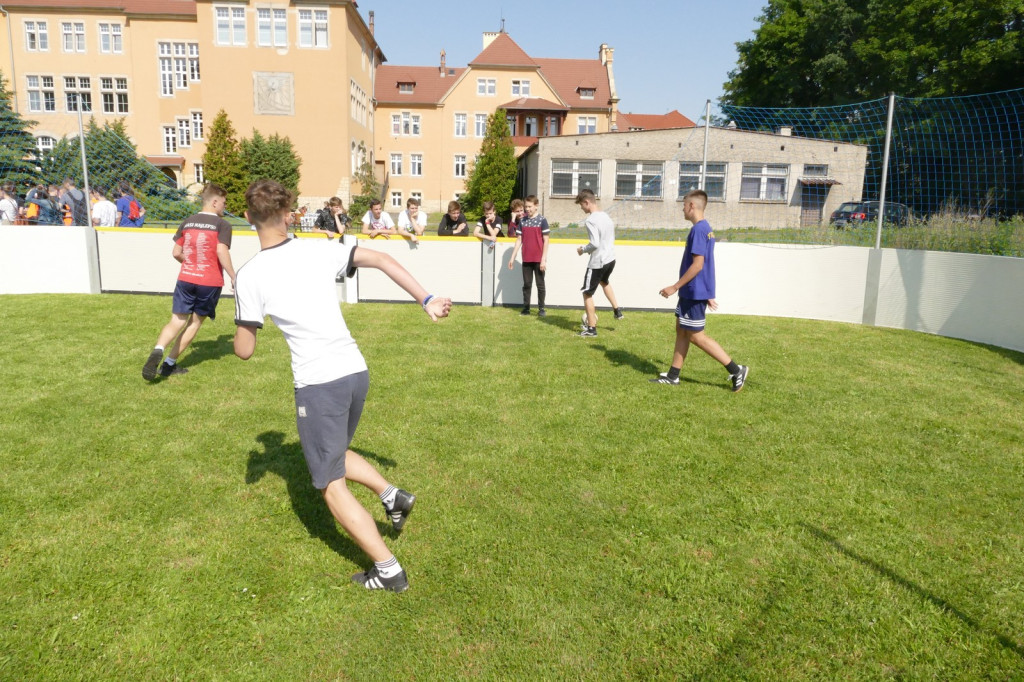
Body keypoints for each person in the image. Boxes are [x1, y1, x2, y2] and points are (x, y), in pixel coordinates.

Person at [233, 178, 452, 593]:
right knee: (334, 452)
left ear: (247, 218)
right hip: (355, 372)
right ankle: (392, 496)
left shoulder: (249, 275)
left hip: (319, 384)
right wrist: (427, 299)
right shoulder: (319, 248)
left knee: (329, 484)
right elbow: (384, 258)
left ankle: (388, 569)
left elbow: (244, 350)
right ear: (288, 214)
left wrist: (237, 319)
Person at [651, 189, 749, 392]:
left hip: (693, 291)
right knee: (681, 329)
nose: (682, 209)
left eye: (683, 205)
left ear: (691, 206)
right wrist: (708, 293)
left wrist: (674, 286)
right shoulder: (706, 228)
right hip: (695, 291)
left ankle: (735, 369)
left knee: (696, 336)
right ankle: (673, 376)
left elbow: (698, 265)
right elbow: (708, 264)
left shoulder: (698, 230)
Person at [142, 183, 235, 380]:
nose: (224, 207)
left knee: (177, 320)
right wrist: (233, 276)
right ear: (215, 201)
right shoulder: (222, 225)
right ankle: (168, 364)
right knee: (194, 323)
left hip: (186, 277)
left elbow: (176, 252)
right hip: (209, 281)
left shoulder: (188, 221)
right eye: (223, 203)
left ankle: (158, 349)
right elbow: (221, 250)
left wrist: (191, 262)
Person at [574, 189, 623, 337]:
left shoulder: (590, 220)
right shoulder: (605, 216)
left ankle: (591, 329)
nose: (581, 208)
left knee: (587, 293)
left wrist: (583, 249)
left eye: (581, 205)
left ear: (586, 202)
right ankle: (617, 310)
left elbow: (594, 243)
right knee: (604, 281)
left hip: (598, 261)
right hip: (610, 258)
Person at [507, 195, 549, 316]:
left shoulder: (542, 220)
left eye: (530, 207)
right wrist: (512, 257)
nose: (527, 209)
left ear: (536, 206)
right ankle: (526, 308)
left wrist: (543, 259)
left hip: (539, 259)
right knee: (527, 285)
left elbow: (546, 240)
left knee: (540, 285)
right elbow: (519, 240)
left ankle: (541, 308)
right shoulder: (523, 221)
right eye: (526, 207)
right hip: (526, 258)